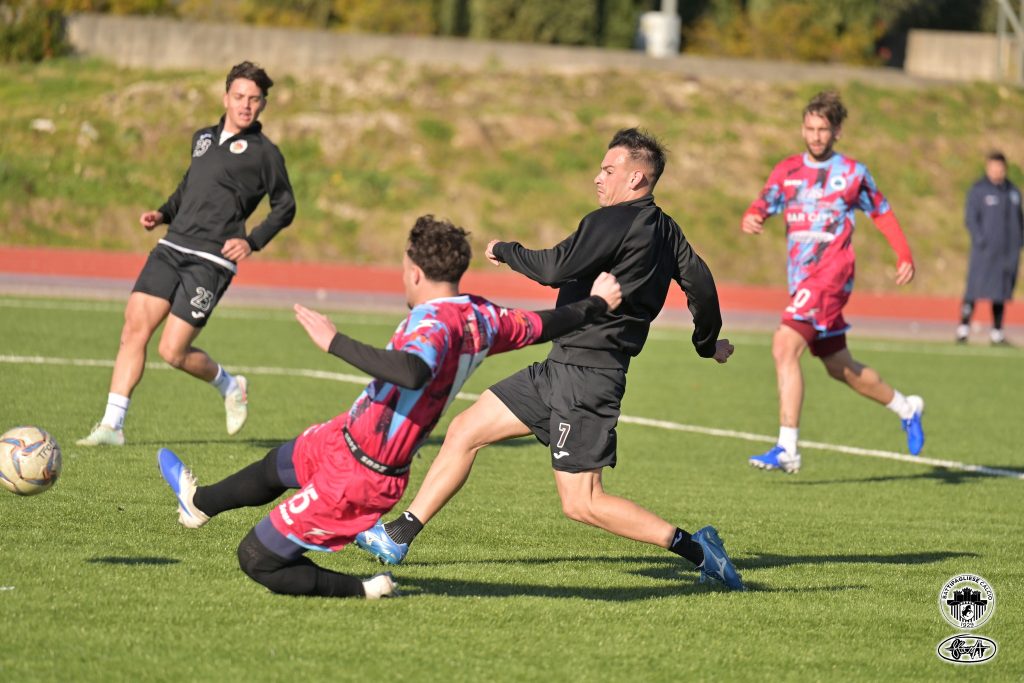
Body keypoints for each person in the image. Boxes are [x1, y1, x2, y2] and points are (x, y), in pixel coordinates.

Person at [356, 128, 745, 591]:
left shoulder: (612, 220)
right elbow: (701, 284)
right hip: (562, 366)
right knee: (465, 430)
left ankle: (699, 550)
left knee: (582, 502)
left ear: (638, 178)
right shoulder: (667, 231)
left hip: (588, 378)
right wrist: (707, 343)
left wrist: (506, 250)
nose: (598, 178)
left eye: (609, 170)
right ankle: (398, 535)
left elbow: (555, 267)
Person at [156, 216, 623, 599]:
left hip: (363, 472)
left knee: (257, 558)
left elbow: (414, 370)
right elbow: (545, 324)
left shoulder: (435, 324)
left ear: (415, 272)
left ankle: (365, 588)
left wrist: (333, 341)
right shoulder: (483, 316)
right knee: (275, 467)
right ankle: (198, 504)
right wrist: (597, 305)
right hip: (347, 436)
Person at [77, 61, 296, 446]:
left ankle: (230, 385)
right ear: (226, 96)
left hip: (211, 260)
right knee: (133, 331)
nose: (246, 105)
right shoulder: (203, 138)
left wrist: (253, 240)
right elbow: (188, 186)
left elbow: (285, 206)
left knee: (172, 351)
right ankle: (112, 426)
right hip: (171, 245)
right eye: (239, 96)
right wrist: (163, 213)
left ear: (263, 105)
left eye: (255, 99)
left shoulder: (266, 154)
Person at [740, 91, 925, 474]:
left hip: (832, 274)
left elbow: (883, 213)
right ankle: (906, 407)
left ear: (837, 131)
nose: (816, 136)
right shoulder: (787, 170)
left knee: (783, 345)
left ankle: (787, 447)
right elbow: (763, 202)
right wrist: (753, 216)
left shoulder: (854, 173)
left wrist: (904, 254)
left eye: (823, 129)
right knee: (838, 366)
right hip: (802, 278)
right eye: (809, 128)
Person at [956, 151, 1023, 345]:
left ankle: (997, 333)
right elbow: (970, 218)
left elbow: (1020, 220)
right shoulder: (979, 190)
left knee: (1001, 292)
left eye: (1000, 168)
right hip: (984, 251)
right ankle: (963, 329)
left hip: (1007, 252)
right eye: (994, 167)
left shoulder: (1013, 192)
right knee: (973, 289)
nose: (997, 171)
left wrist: (1019, 242)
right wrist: (981, 239)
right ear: (988, 168)